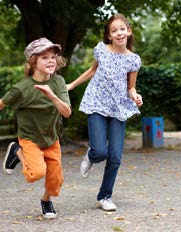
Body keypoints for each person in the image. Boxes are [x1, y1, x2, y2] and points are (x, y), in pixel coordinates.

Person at [66, 13, 143, 212]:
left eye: (122, 29)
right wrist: (72, 85)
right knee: (100, 151)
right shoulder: (102, 50)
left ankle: (105, 196)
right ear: (109, 36)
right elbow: (92, 71)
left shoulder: (133, 60)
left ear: (129, 31)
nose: (119, 33)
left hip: (118, 107)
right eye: (114, 30)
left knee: (115, 156)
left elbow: (131, 87)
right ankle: (91, 156)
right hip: (97, 103)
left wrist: (135, 96)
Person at [1, 38, 71, 219]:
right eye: (44, 57)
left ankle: (46, 201)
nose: (50, 61)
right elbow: (2, 103)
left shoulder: (59, 82)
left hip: (51, 137)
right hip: (29, 138)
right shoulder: (22, 88)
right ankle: (16, 150)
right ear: (33, 62)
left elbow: (67, 112)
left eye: (53, 57)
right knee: (35, 174)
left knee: (55, 181)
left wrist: (52, 96)